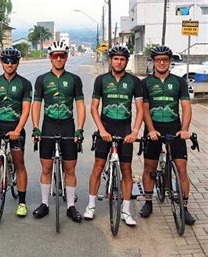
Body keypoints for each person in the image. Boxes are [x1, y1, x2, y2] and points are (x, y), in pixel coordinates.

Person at [83, 45, 143, 226]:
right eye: (115, 59)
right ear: (110, 60)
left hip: (125, 131)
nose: (118, 62)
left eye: (122, 59)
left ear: (126, 61)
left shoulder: (134, 82)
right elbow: (94, 108)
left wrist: (134, 131)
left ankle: (126, 211)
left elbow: (140, 109)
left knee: (126, 171)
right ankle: (91, 205)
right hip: (105, 129)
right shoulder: (101, 80)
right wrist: (101, 129)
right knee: (98, 166)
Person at [139, 45, 196, 225]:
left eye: (165, 59)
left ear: (170, 62)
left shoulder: (179, 82)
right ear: (153, 62)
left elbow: (186, 107)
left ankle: (184, 207)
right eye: (158, 60)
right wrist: (150, 129)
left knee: (181, 168)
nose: (162, 62)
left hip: (175, 129)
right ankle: (148, 201)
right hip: (153, 129)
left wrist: (185, 129)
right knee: (149, 168)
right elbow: (144, 109)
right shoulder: (145, 83)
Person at [31, 41, 86, 222]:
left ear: (67, 57)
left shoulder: (74, 79)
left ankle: (71, 206)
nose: (59, 58)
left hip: (67, 126)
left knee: (70, 169)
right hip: (48, 125)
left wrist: (79, 128)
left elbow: (80, 105)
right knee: (46, 167)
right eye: (55, 55)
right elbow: (37, 105)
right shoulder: (42, 80)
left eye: (62, 55)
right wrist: (36, 127)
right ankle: (45, 203)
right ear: (50, 58)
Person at [0, 47, 32, 217]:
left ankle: (22, 202)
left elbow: (26, 109)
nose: (9, 64)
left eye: (13, 62)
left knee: (19, 163)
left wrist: (18, 129)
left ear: (18, 63)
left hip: (16, 129)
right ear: (1, 62)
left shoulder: (24, 83)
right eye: (6, 61)